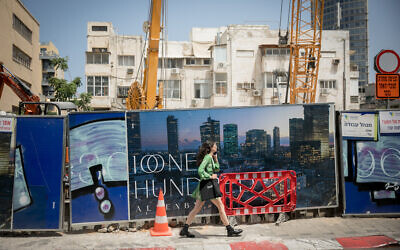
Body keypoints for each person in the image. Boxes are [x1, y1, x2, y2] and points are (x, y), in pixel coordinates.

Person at [180, 141, 243, 238]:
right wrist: (210, 176)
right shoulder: (208, 157)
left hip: (205, 185)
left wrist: (216, 158)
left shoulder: (211, 157)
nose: (217, 147)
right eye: (215, 145)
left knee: (197, 208)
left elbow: (217, 169)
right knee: (220, 206)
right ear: (211, 147)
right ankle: (229, 230)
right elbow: (200, 171)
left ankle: (185, 229)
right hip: (208, 184)